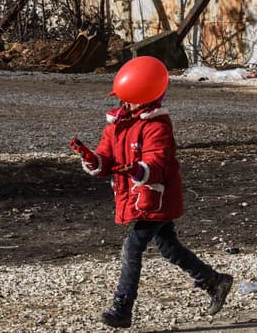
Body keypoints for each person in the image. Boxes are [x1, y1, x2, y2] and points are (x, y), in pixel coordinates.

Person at [70, 56, 233, 329]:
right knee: (169, 248)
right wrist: (92, 160)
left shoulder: (158, 126)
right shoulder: (115, 125)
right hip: (137, 197)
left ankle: (122, 307)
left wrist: (137, 169)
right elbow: (105, 159)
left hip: (157, 198)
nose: (126, 104)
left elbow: (157, 163)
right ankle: (216, 282)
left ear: (146, 98)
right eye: (124, 99)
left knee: (132, 246)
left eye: (131, 99)